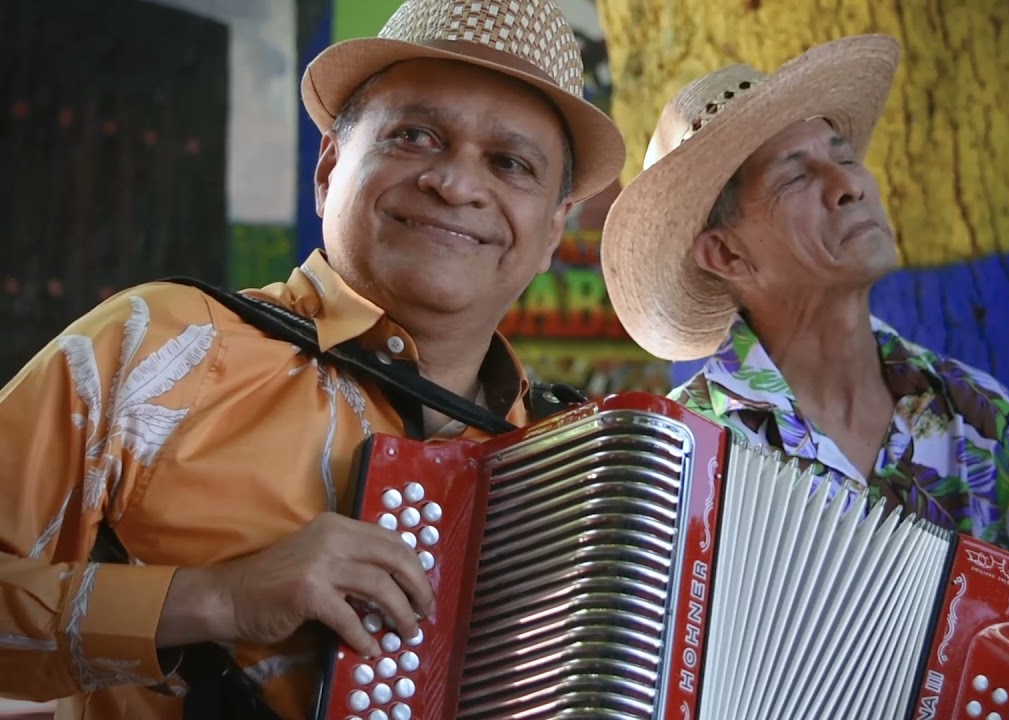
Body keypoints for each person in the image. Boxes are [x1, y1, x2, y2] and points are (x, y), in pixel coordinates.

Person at [0, 0, 624, 717]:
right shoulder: (160, 344)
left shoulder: (571, 467)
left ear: (551, 231)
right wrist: (212, 599)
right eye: (416, 136)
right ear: (329, 168)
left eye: (509, 163)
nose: (455, 183)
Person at [599, 35, 1009, 720]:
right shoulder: (681, 464)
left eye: (844, 155)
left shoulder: (979, 419)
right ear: (726, 252)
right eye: (796, 175)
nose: (849, 183)